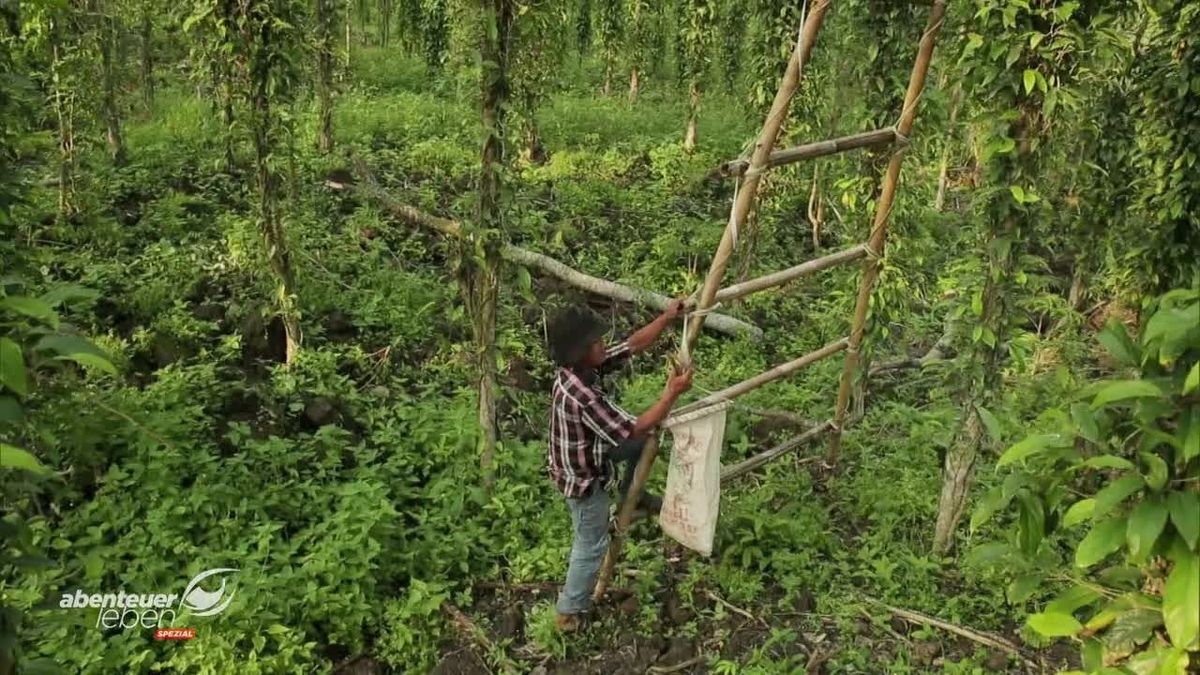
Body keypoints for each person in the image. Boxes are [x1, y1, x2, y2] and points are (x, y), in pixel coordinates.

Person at [545, 301, 694, 632]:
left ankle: (633, 494)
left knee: (642, 445)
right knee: (590, 543)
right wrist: (671, 394)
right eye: (596, 342)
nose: (603, 344)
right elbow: (634, 427)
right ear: (581, 352)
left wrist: (667, 318)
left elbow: (632, 345)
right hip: (583, 480)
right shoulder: (581, 394)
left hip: (590, 451)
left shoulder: (580, 369)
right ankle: (568, 613)